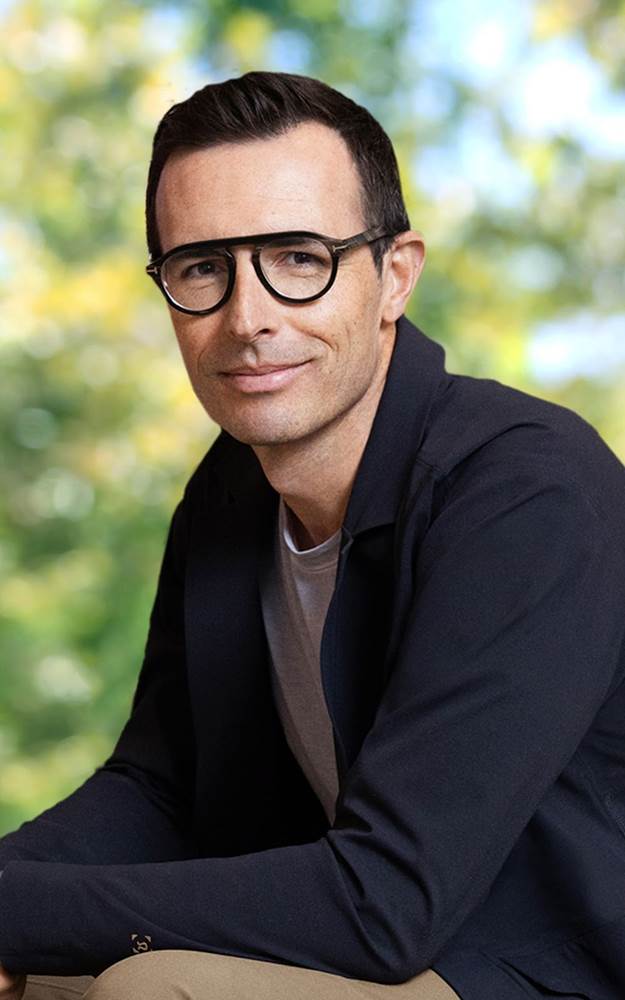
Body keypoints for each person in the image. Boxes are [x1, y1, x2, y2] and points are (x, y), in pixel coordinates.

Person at [1, 70, 625, 1000]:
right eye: (202, 268)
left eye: (298, 259)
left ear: (394, 276)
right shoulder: (229, 495)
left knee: (150, 990)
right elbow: (158, 792)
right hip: (371, 945)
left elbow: (387, 900)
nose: (247, 319)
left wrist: (14, 913)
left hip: (537, 967)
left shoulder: (527, 488)